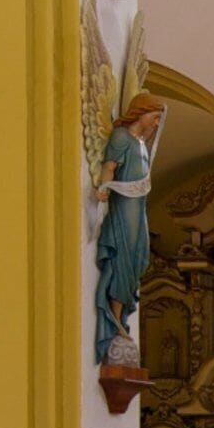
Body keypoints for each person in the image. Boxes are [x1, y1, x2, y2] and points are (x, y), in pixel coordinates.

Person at [92, 92, 164, 363]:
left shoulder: (141, 143)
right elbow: (110, 167)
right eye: (154, 117)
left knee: (139, 257)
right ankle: (115, 318)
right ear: (141, 113)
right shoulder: (121, 137)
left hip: (138, 208)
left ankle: (121, 316)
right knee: (123, 257)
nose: (156, 123)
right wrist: (102, 187)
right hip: (124, 209)